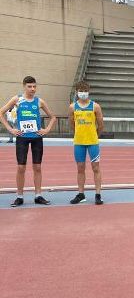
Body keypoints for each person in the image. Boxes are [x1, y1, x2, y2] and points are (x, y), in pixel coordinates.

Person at [0, 76, 56, 207]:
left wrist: (46, 130)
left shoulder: (39, 101)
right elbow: (1, 113)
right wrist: (10, 129)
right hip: (22, 137)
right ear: (24, 86)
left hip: (37, 137)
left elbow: (53, 117)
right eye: (30, 86)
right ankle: (19, 196)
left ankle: (38, 195)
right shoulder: (17, 99)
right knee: (21, 167)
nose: (32, 89)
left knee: (37, 167)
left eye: (34, 86)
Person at [68, 81, 104, 205]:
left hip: (92, 142)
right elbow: (72, 123)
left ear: (89, 92)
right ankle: (81, 194)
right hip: (79, 142)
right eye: (81, 91)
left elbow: (101, 125)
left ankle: (98, 194)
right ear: (76, 92)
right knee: (80, 168)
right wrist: (79, 133)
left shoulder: (95, 106)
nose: (83, 93)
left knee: (96, 168)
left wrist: (94, 135)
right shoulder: (72, 107)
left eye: (85, 91)